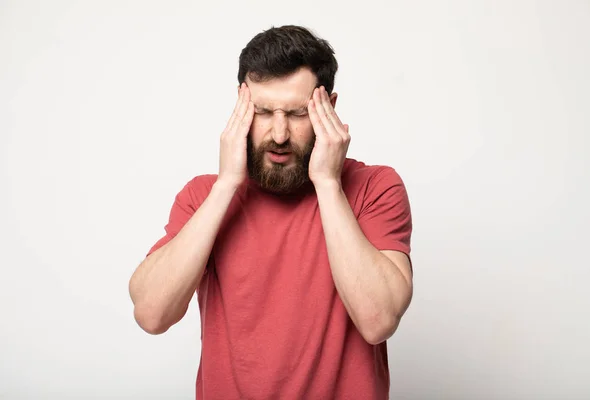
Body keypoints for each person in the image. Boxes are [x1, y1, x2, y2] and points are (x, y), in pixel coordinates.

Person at [129, 25, 414, 400]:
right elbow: (151, 314)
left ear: (328, 107)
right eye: (263, 112)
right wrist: (227, 184)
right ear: (240, 106)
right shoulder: (203, 197)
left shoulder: (374, 188)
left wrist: (327, 183)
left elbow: (378, 320)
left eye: (297, 114)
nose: (279, 134)